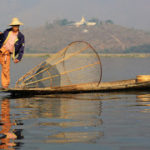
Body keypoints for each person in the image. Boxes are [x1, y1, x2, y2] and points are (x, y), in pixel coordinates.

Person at [0, 18, 25, 89]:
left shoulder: (21, 36)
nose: (15, 27)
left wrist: (19, 58)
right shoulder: (7, 32)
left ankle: (5, 85)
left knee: (6, 70)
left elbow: (21, 48)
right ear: (12, 26)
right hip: (1, 49)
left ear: (19, 26)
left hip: (7, 53)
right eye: (14, 25)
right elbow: (1, 38)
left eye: (17, 25)